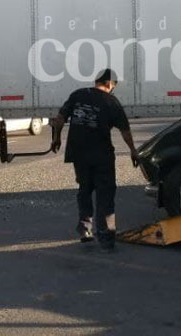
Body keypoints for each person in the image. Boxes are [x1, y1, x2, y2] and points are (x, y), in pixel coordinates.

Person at [51, 69, 138, 252]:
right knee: (105, 192)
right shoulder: (112, 102)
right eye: (113, 85)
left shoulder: (78, 95)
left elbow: (59, 119)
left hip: (78, 154)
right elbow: (125, 131)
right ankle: (106, 238)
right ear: (108, 84)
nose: (113, 88)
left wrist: (56, 138)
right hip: (102, 156)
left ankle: (85, 230)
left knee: (84, 189)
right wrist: (133, 151)